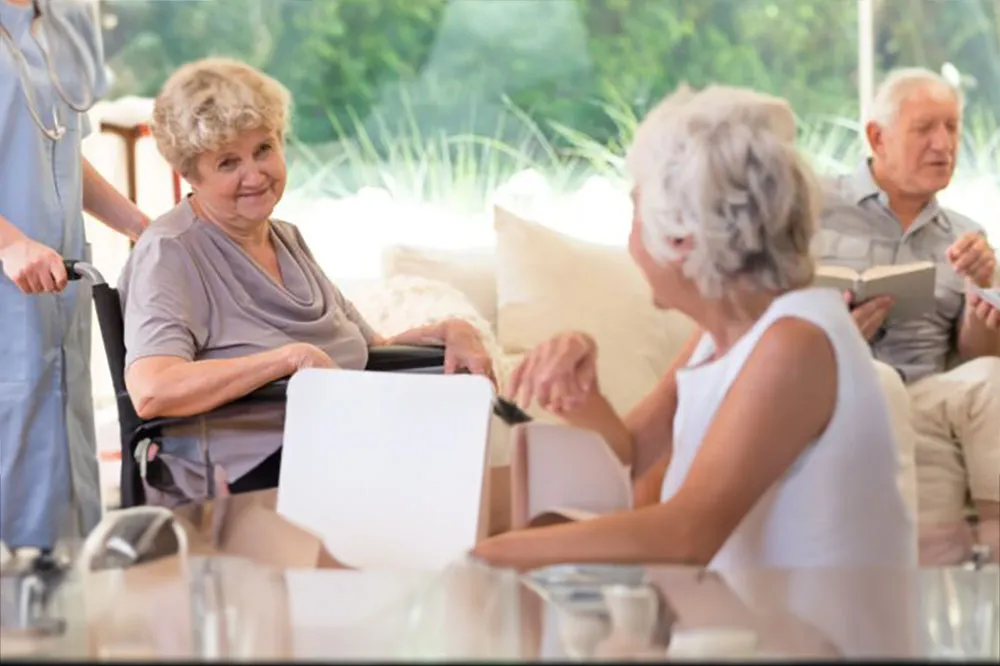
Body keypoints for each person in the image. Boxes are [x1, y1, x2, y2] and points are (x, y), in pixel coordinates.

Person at [472, 84, 915, 570]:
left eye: (635, 213)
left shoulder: (796, 342)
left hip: (820, 621)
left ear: (682, 237)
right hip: (746, 614)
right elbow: (630, 455)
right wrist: (584, 398)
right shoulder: (727, 333)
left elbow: (686, 533)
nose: (631, 240)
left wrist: (486, 556)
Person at [118, 57, 496, 506]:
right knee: (456, 487)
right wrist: (287, 360)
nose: (255, 175)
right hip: (253, 477)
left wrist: (450, 330)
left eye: (263, 149)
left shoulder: (285, 237)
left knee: (479, 451)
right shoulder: (172, 251)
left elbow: (369, 348)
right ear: (191, 175)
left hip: (340, 447)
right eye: (228, 162)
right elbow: (153, 389)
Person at [818, 67, 999, 559]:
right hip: (835, 388)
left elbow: (976, 356)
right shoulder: (814, 207)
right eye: (924, 129)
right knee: (878, 380)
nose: (943, 144)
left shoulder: (965, 236)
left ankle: (995, 547)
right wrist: (834, 334)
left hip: (925, 392)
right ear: (878, 137)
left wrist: (983, 297)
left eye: (952, 127)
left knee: (991, 377)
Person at [0, 0, 149, 551]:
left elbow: (58, 151)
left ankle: (70, 586)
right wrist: (10, 243)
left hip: (58, 287)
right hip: (10, 286)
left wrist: (139, 225)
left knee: (65, 449)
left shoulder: (59, 27)